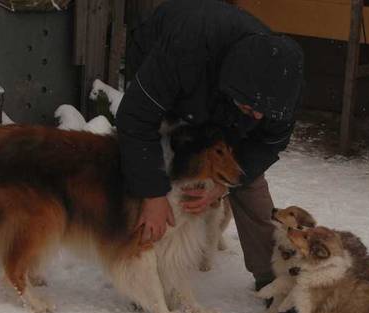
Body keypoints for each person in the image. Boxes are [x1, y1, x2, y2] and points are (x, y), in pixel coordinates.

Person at [116, 0, 304, 291]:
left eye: (263, 113)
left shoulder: (281, 88)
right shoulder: (183, 52)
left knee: (248, 182)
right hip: (169, 70)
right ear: (234, 86)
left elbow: (269, 142)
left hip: (218, 94)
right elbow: (135, 120)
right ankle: (142, 268)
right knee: (152, 164)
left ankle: (272, 279)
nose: (258, 116)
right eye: (251, 108)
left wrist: (222, 185)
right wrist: (151, 194)